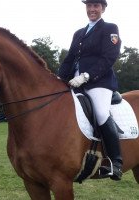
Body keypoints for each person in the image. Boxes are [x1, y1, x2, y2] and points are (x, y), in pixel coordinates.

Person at [58, 0, 122, 180]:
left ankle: (115, 162)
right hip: (74, 81)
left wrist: (86, 76)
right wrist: (57, 79)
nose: (92, 9)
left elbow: (109, 57)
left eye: (96, 6)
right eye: (89, 6)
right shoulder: (79, 33)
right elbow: (69, 59)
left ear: (103, 8)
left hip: (98, 82)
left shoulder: (109, 28)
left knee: (101, 113)